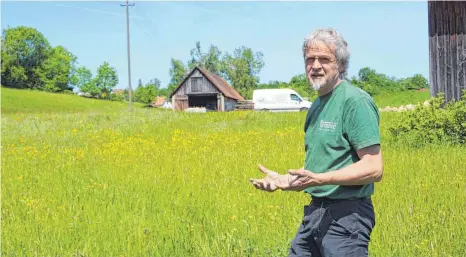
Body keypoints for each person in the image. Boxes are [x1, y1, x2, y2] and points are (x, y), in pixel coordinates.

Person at [249, 28, 383, 257]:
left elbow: (373, 167)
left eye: (324, 59)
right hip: (315, 212)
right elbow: (318, 169)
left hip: (347, 217)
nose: (316, 65)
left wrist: (321, 179)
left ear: (340, 64)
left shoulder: (355, 101)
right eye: (310, 59)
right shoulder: (316, 106)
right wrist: (284, 181)